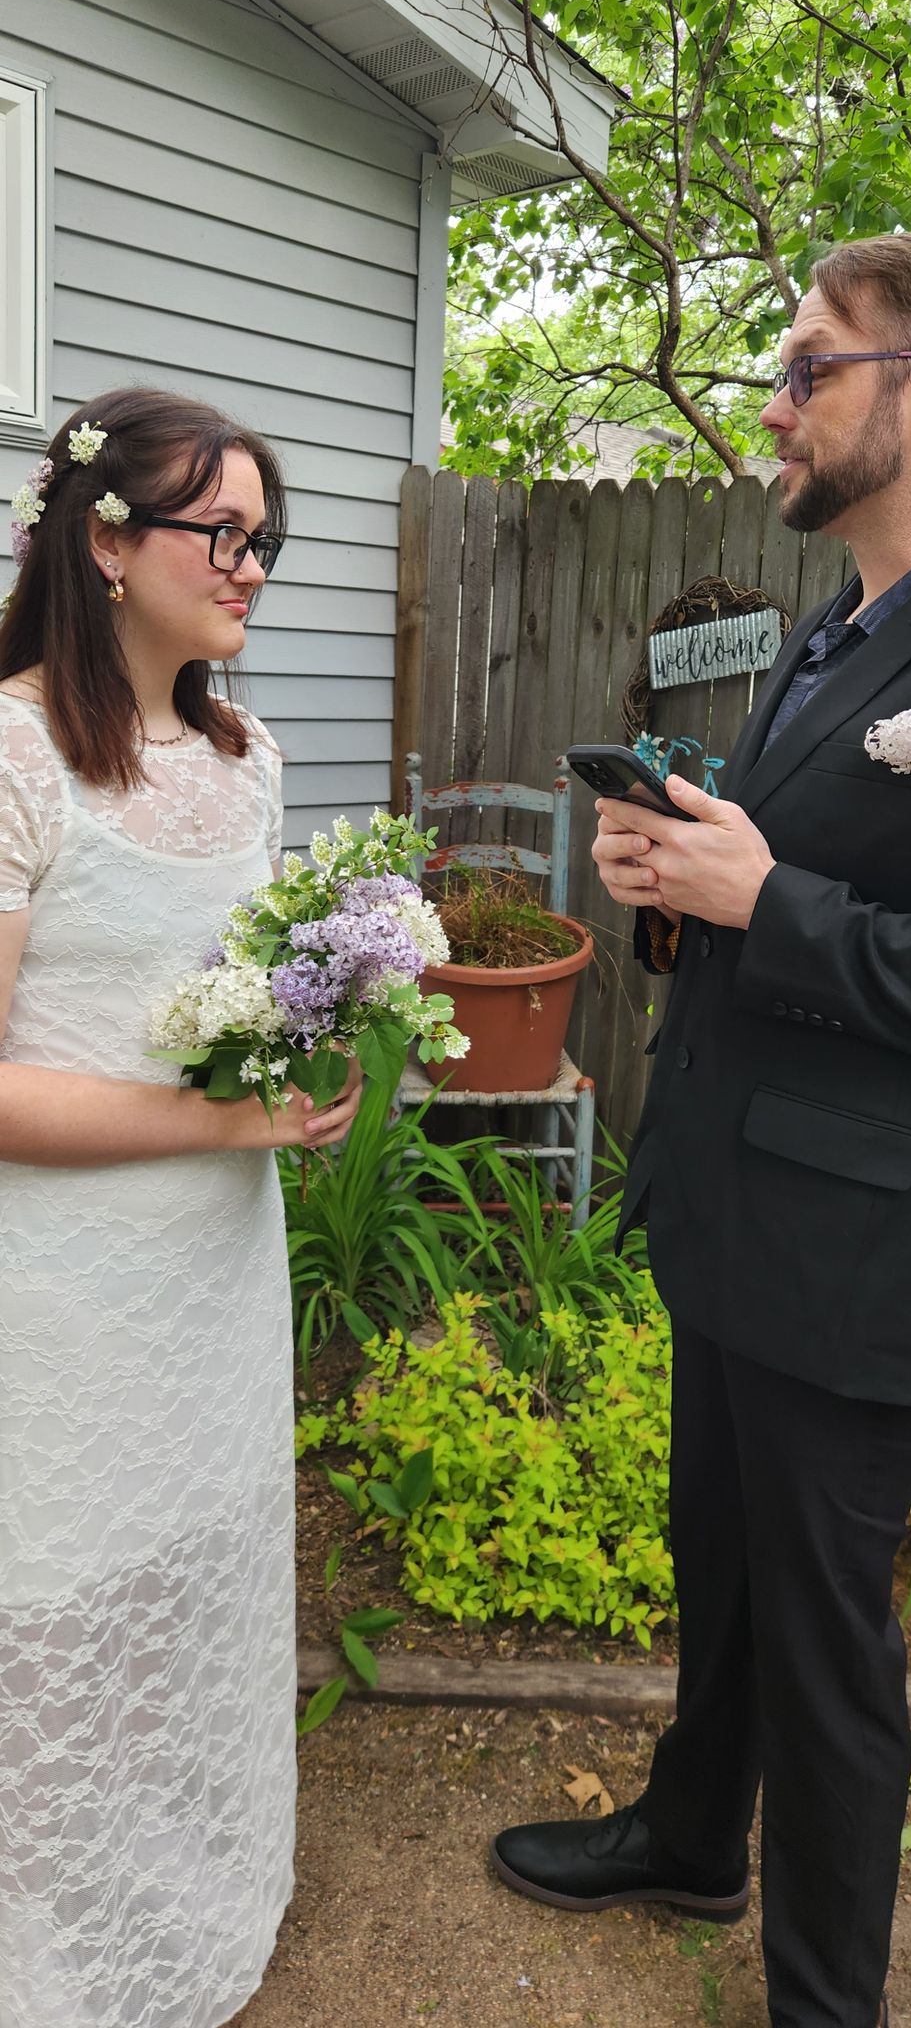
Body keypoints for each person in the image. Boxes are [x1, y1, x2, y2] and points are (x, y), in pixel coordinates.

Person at [490, 231, 911, 2028]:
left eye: (807, 370)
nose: (774, 410)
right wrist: (674, 882)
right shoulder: (839, 627)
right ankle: (690, 1836)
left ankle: (820, 2003)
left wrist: (765, 896)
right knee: (714, 1563)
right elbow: (788, 894)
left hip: (864, 1243)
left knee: (826, 1650)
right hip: (733, 1210)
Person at [0, 389, 361, 2028]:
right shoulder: (13, 751)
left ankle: (189, 1877)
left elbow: (235, 1002)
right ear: (105, 537)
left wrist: (309, 1065)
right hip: (56, 1282)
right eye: (225, 533)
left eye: (266, 540)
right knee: (55, 1601)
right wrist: (220, 1111)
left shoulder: (247, 754)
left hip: (215, 1266)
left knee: (194, 1569)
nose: (255, 567)